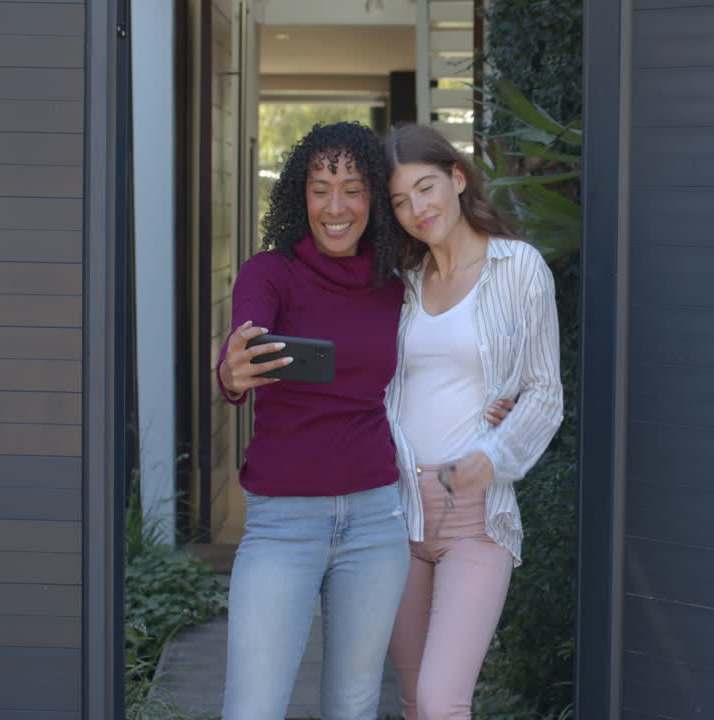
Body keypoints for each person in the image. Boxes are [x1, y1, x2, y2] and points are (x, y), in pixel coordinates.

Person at [215, 121, 410, 719]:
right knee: (253, 707)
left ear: (374, 196)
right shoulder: (270, 272)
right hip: (283, 525)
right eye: (321, 187)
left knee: (353, 707)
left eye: (352, 188)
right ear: (300, 194)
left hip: (378, 520)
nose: (335, 206)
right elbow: (246, 334)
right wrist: (234, 368)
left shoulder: (396, 282)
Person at [383, 123, 564, 719]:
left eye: (427, 188)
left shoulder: (518, 269)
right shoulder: (401, 287)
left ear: (458, 179)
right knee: (412, 701)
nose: (418, 209)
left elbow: (543, 392)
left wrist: (494, 453)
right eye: (401, 201)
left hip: (475, 516)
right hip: (398, 512)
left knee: (441, 701)